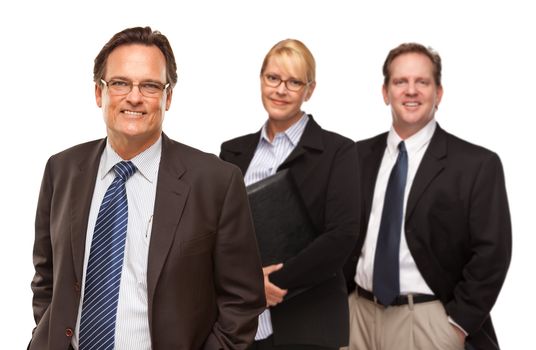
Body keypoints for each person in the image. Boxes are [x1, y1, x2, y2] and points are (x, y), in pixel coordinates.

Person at [29, 26, 265, 350]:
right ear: (100, 92)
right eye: (120, 83)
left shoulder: (216, 182)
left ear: (168, 97)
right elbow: (46, 278)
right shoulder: (62, 169)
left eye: (150, 85)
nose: (135, 97)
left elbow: (243, 301)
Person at [343, 42, 512, 350]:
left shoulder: (476, 164)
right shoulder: (356, 156)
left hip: (427, 322)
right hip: (357, 319)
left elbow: (492, 253)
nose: (411, 91)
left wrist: (457, 325)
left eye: (422, 82)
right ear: (385, 93)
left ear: (439, 93)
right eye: (400, 82)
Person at [220, 39, 360, 350]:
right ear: (261, 80)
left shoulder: (337, 151)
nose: (281, 90)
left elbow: (342, 236)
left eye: (294, 82)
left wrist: (275, 283)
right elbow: (218, 233)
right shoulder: (232, 152)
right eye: (273, 78)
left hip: (307, 325)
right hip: (239, 326)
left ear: (309, 90)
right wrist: (248, 286)